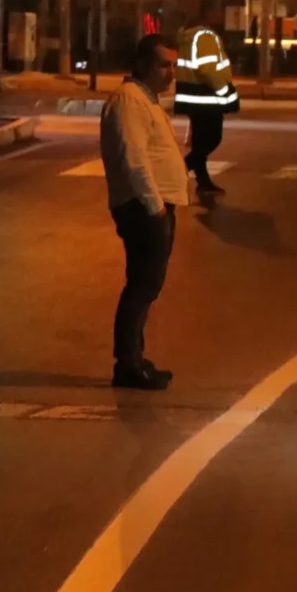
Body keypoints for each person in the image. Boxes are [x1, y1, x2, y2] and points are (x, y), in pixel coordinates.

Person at [100, 34, 190, 390]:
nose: (170, 73)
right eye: (162, 65)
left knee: (148, 285)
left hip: (154, 205)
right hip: (143, 208)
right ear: (141, 65)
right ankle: (128, 364)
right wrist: (155, 208)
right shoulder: (129, 102)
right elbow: (134, 159)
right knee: (141, 286)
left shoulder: (145, 99)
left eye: (173, 65)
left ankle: (135, 357)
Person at [173, 18, 239, 197]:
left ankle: (203, 182)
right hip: (208, 97)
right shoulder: (205, 36)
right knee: (212, 139)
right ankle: (177, 173)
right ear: (209, 13)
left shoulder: (188, 37)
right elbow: (207, 69)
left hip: (193, 96)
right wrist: (223, 90)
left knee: (200, 141)